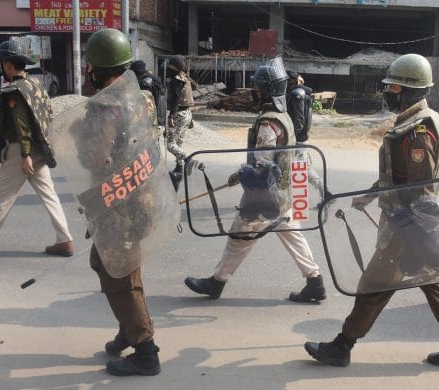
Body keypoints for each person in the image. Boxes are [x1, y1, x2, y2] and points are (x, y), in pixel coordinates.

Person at [303, 54, 439, 367]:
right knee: (430, 280)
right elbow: (396, 175)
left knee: (374, 283)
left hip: (407, 224)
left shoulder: (418, 131)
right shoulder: (411, 122)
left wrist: (408, 227)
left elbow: (418, 187)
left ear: (412, 90)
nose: (388, 92)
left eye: (394, 87)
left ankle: (342, 345)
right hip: (412, 224)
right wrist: (371, 195)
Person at [183, 58, 327, 303]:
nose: (254, 92)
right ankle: (315, 282)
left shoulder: (268, 122)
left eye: (257, 88)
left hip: (263, 196)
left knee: (239, 237)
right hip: (283, 193)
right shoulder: (285, 117)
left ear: (267, 90)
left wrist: (241, 174)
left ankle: (216, 283)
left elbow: (263, 163)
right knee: (293, 235)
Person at [81, 28, 161, 376]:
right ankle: (128, 328)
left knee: (119, 274)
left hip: (118, 203)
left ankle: (146, 351)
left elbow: (93, 157)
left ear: (96, 69)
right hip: (142, 197)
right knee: (111, 266)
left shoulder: (106, 107)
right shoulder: (141, 97)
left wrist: (81, 129)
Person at [0, 40, 74, 257]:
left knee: (3, 196)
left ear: (9, 65)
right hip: (39, 150)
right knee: (50, 195)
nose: (2, 67)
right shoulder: (36, 86)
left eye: (3, 63)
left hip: (21, 152)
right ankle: (65, 239)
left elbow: (22, 124)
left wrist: (25, 154)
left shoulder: (15, 91)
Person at [165, 56, 195, 191]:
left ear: (173, 67)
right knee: (179, 143)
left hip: (178, 114)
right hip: (187, 114)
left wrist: (171, 115)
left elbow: (176, 99)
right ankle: (179, 169)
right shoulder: (185, 78)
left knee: (170, 145)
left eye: (170, 66)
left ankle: (188, 160)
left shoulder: (177, 80)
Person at [131, 59, 167, 129]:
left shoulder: (144, 82)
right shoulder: (155, 78)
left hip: (151, 116)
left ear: (136, 72)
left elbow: (144, 101)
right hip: (160, 112)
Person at [286, 71, 313, 143]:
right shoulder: (302, 91)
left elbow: (299, 117)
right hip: (302, 134)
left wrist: (294, 135)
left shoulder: (297, 93)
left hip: (298, 137)